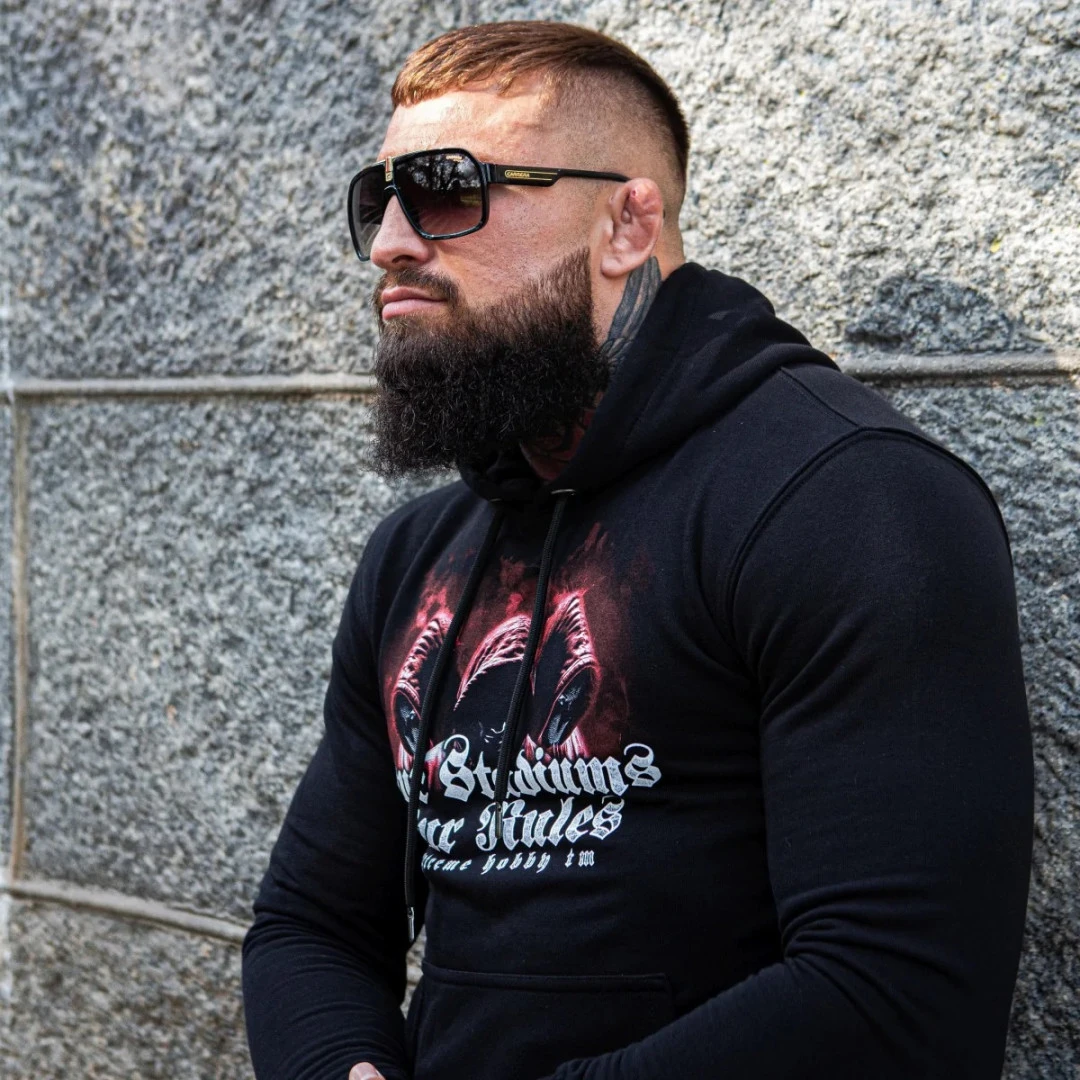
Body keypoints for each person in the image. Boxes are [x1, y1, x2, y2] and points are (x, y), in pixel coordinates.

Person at [241, 20, 1034, 1080]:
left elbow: (896, 998)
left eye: (445, 191)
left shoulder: (851, 503)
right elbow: (311, 923)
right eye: (377, 201)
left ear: (626, 223)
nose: (390, 242)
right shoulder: (419, 552)